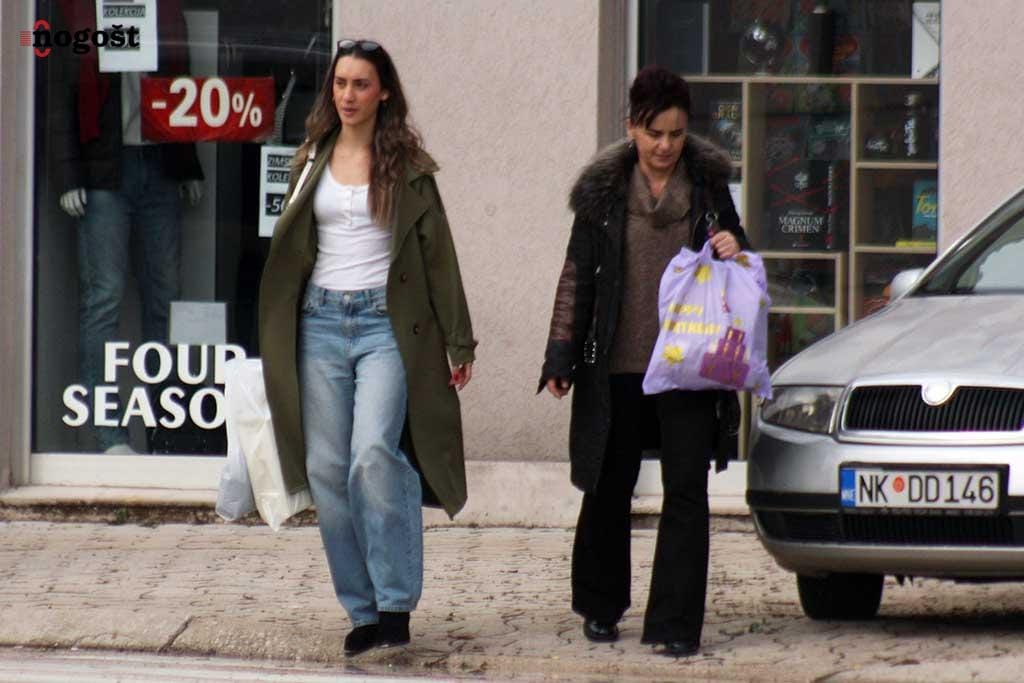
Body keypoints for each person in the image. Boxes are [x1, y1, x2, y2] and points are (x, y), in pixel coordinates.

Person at [258, 39, 476, 657]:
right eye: (340, 83)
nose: (348, 95)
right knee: (326, 469)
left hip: (386, 325)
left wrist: (458, 340)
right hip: (320, 323)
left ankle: (395, 601)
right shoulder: (309, 159)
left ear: (383, 93)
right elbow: (289, 250)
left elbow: (439, 257)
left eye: (360, 84)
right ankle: (362, 609)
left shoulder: (408, 167)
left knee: (373, 454)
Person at [539, 65, 751, 658]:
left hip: (688, 366)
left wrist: (735, 245)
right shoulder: (604, 192)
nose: (665, 146)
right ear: (631, 126)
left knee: (686, 491)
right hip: (617, 367)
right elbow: (577, 275)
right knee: (609, 485)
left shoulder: (707, 187)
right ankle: (601, 606)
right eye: (654, 133)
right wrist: (560, 355)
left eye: (676, 134)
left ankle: (676, 623)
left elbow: (740, 257)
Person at [50, 0, 204, 454]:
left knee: (166, 297)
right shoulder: (80, 11)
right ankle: (109, 432)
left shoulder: (166, 11)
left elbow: (182, 90)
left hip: (159, 162)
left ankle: (166, 430)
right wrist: (68, 175)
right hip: (104, 171)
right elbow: (61, 95)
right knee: (104, 297)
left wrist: (188, 164)